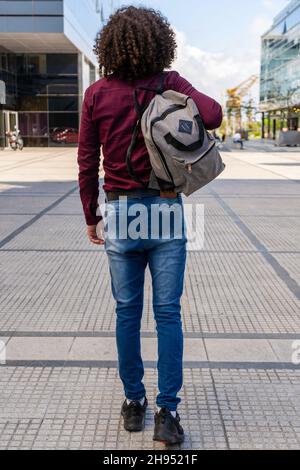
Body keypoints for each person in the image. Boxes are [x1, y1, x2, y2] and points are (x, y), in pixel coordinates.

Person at [78, 6, 222, 445]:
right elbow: (213, 115)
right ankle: (167, 411)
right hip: (165, 212)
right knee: (167, 315)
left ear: (110, 47)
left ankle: (133, 402)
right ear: (159, 43)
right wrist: (176, 89)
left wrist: (92, 215)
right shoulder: (169, 82)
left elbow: (87, 163)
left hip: (120, 215)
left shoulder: (97, 93)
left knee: (126, 313)